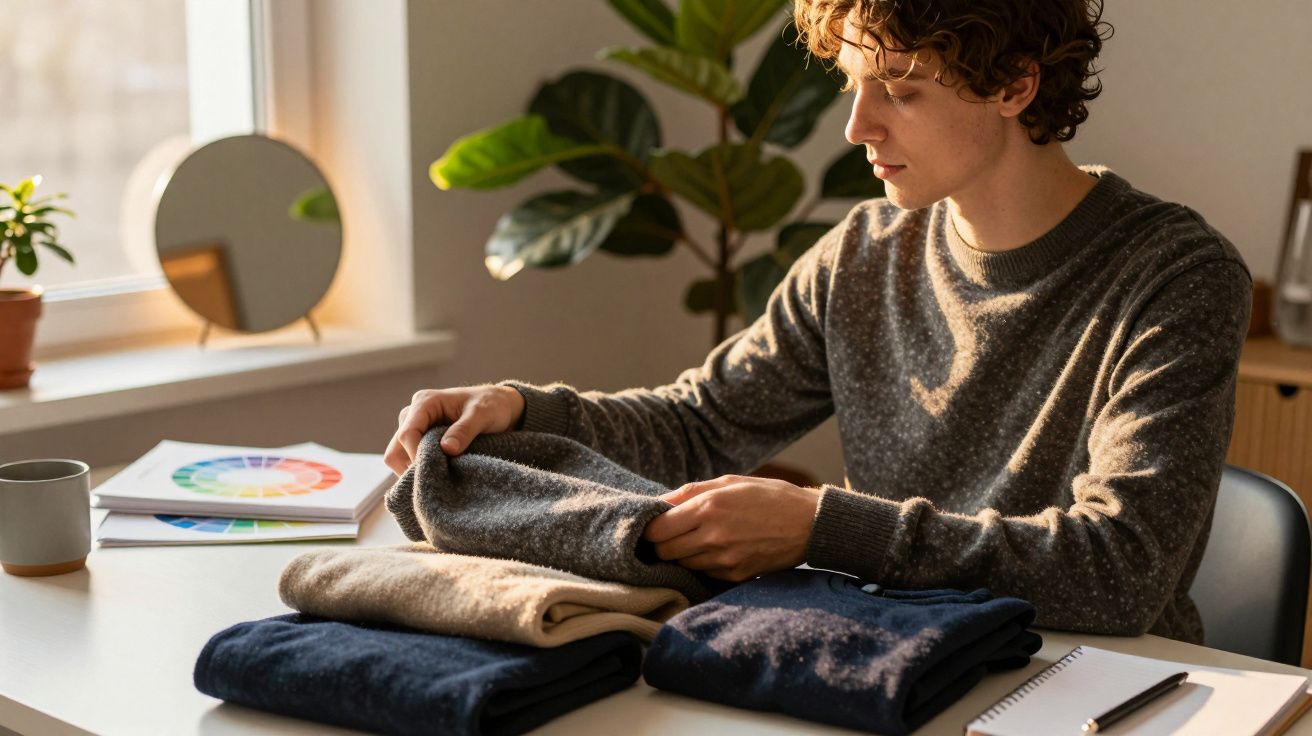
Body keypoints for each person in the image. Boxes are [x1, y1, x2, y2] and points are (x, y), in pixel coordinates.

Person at [384, 0, 1251, 644]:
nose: (856, 126)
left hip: (1101, 685)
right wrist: (522, 410)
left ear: (1015, 86)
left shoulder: (1174, 275)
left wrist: (820, 525)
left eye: (900, 90)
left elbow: (1122, 572)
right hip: (899, 663)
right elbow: (701, 423)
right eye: (852, 85)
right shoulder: (865, 255)